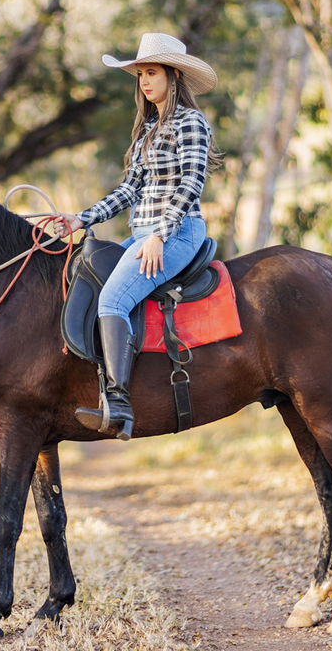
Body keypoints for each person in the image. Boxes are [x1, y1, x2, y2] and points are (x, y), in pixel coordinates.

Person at [55, 32, 222, 440]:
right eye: (140, 74)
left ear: (173, 76)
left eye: (151, 72)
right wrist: (81, 218)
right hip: (143, 233)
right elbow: (129, 190)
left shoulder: (191, 122)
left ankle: (118, 404)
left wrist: (160, 235)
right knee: (91, 276)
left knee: (113, 298)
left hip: (177, 233)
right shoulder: (147, 128)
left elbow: (191, 183)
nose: (144, 82)